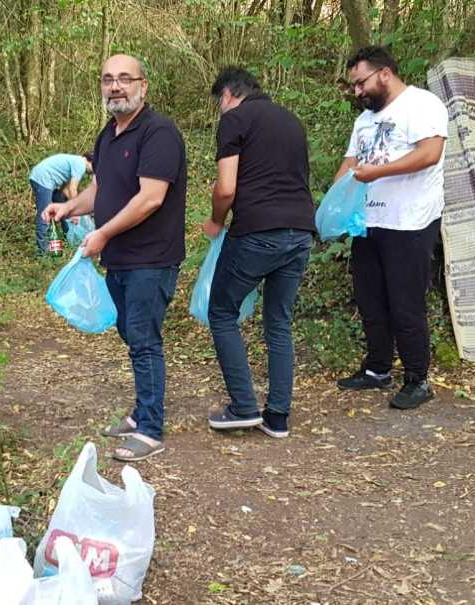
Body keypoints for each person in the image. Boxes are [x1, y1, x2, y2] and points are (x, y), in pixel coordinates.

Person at [43, 54, 187, 462]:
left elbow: (150, 198)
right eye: (108, 80)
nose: (116, 87)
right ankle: (143, 411)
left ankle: (150, 429)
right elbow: (101, 190)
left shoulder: (158, 133)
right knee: (130, 335)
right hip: (119, 259)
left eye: (125, 79)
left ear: (144, 84)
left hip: (151, 257)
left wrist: (102, 234)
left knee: (143, 340)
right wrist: (68, 209)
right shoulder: (108, 134)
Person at [202, 68, 316, 439]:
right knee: (278, 322)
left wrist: (216, 220)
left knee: (221, 312)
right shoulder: (291, 120)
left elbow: (226, 188)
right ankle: (278, 417)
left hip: (257, 231)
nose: (220, 109)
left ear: (230, 95)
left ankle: (243, 407)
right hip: (300, 232)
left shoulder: (235, 119)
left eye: (219, 101)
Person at [333, 46, 448, 410]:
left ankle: (418, 379)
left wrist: (377, 173)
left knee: (405, 302)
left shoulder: (422, 105)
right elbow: (351, 162)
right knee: (370, 299)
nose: (357, 91)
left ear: (384, 73)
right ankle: (377, 370)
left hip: (409, 221)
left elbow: (430, 153)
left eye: (360, 82)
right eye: (353, 86)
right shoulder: (365, 119)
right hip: (369, 221)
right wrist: (332, 205)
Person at [29, 153, 93, 254]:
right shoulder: (80, 164)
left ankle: (68, 238)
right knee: (45, 213)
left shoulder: (75, 161)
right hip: (43, 179)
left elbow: (65, 192)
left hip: (42, 177)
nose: (93, 172)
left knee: (61, 202)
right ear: (91, 162)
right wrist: (76, 212)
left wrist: (71, 209)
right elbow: (72, 189)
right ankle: (43, 251)